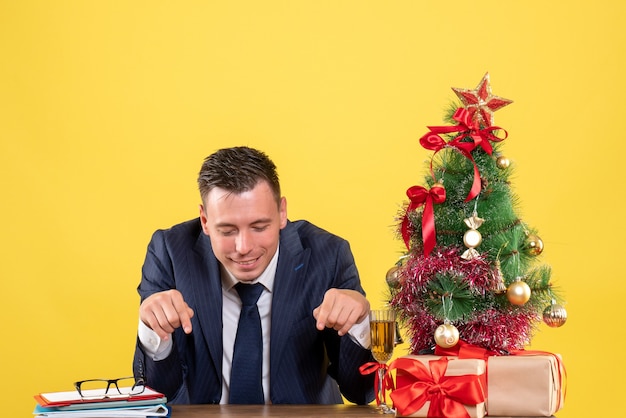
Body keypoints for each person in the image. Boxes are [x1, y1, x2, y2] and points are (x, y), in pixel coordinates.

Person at [133, 146, 376, 405]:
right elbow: (156, 395)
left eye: (259, 227)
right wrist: (154, 334)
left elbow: (360, 392)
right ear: (204, 220)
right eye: (227, 230)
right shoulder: (169, 252)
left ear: (282, 212)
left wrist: (359, 324)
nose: (244, 247)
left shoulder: (328, 255)